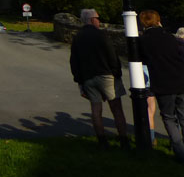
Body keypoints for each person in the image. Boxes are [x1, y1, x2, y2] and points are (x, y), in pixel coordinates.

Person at [69, 8, 130, 149]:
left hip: (88, 78)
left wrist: (80, 81)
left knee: (96, 110)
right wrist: (116, 73)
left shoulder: (78, 37)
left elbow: (74, 61)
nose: (99, 20)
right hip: (106, 75)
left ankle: (102, 141)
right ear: (92, 20)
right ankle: (124, 140)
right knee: (116, 108)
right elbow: (112, 56)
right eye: (97, 18)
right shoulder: (101, 35)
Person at [139, 9, 184, 163]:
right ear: (158, 20)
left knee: (169, 117)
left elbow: (141, 60)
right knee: (183, 115)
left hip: (162, 83)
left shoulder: (143, 41)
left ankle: (180, 151)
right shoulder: (169, 37)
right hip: (180, 80)